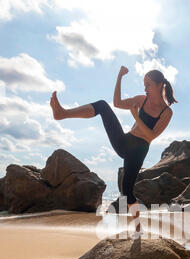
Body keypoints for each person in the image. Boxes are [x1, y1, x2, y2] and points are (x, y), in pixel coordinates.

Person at [50, 66, 178, 237]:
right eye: (144, 84)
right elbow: (117, 103)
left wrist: (136, 116)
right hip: (125, 141)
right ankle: (62, 113)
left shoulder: (166, 112)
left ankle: (138, 226)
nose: (145, 88)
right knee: (103, 106)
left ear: (159, 85)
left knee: (127, 189)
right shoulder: (142, 100)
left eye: (148, 85)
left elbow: (151, 135)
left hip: (138, 150)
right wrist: (119, 76)